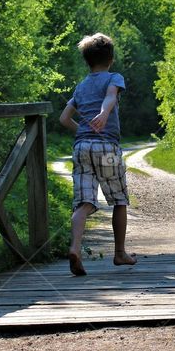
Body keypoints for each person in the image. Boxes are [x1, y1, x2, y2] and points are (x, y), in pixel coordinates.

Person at [59, 33, 137, 276]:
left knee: (84, 203)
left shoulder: (81, 86)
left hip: (82, 148)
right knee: (119, 200)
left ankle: (74, 247)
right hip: (107, 148)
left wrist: (82, 129)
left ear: (87, 61)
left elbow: (64, 118)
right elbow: (111, 96)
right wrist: (103, 115)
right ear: (111, 58)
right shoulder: (114, 77)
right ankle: (120, 253)